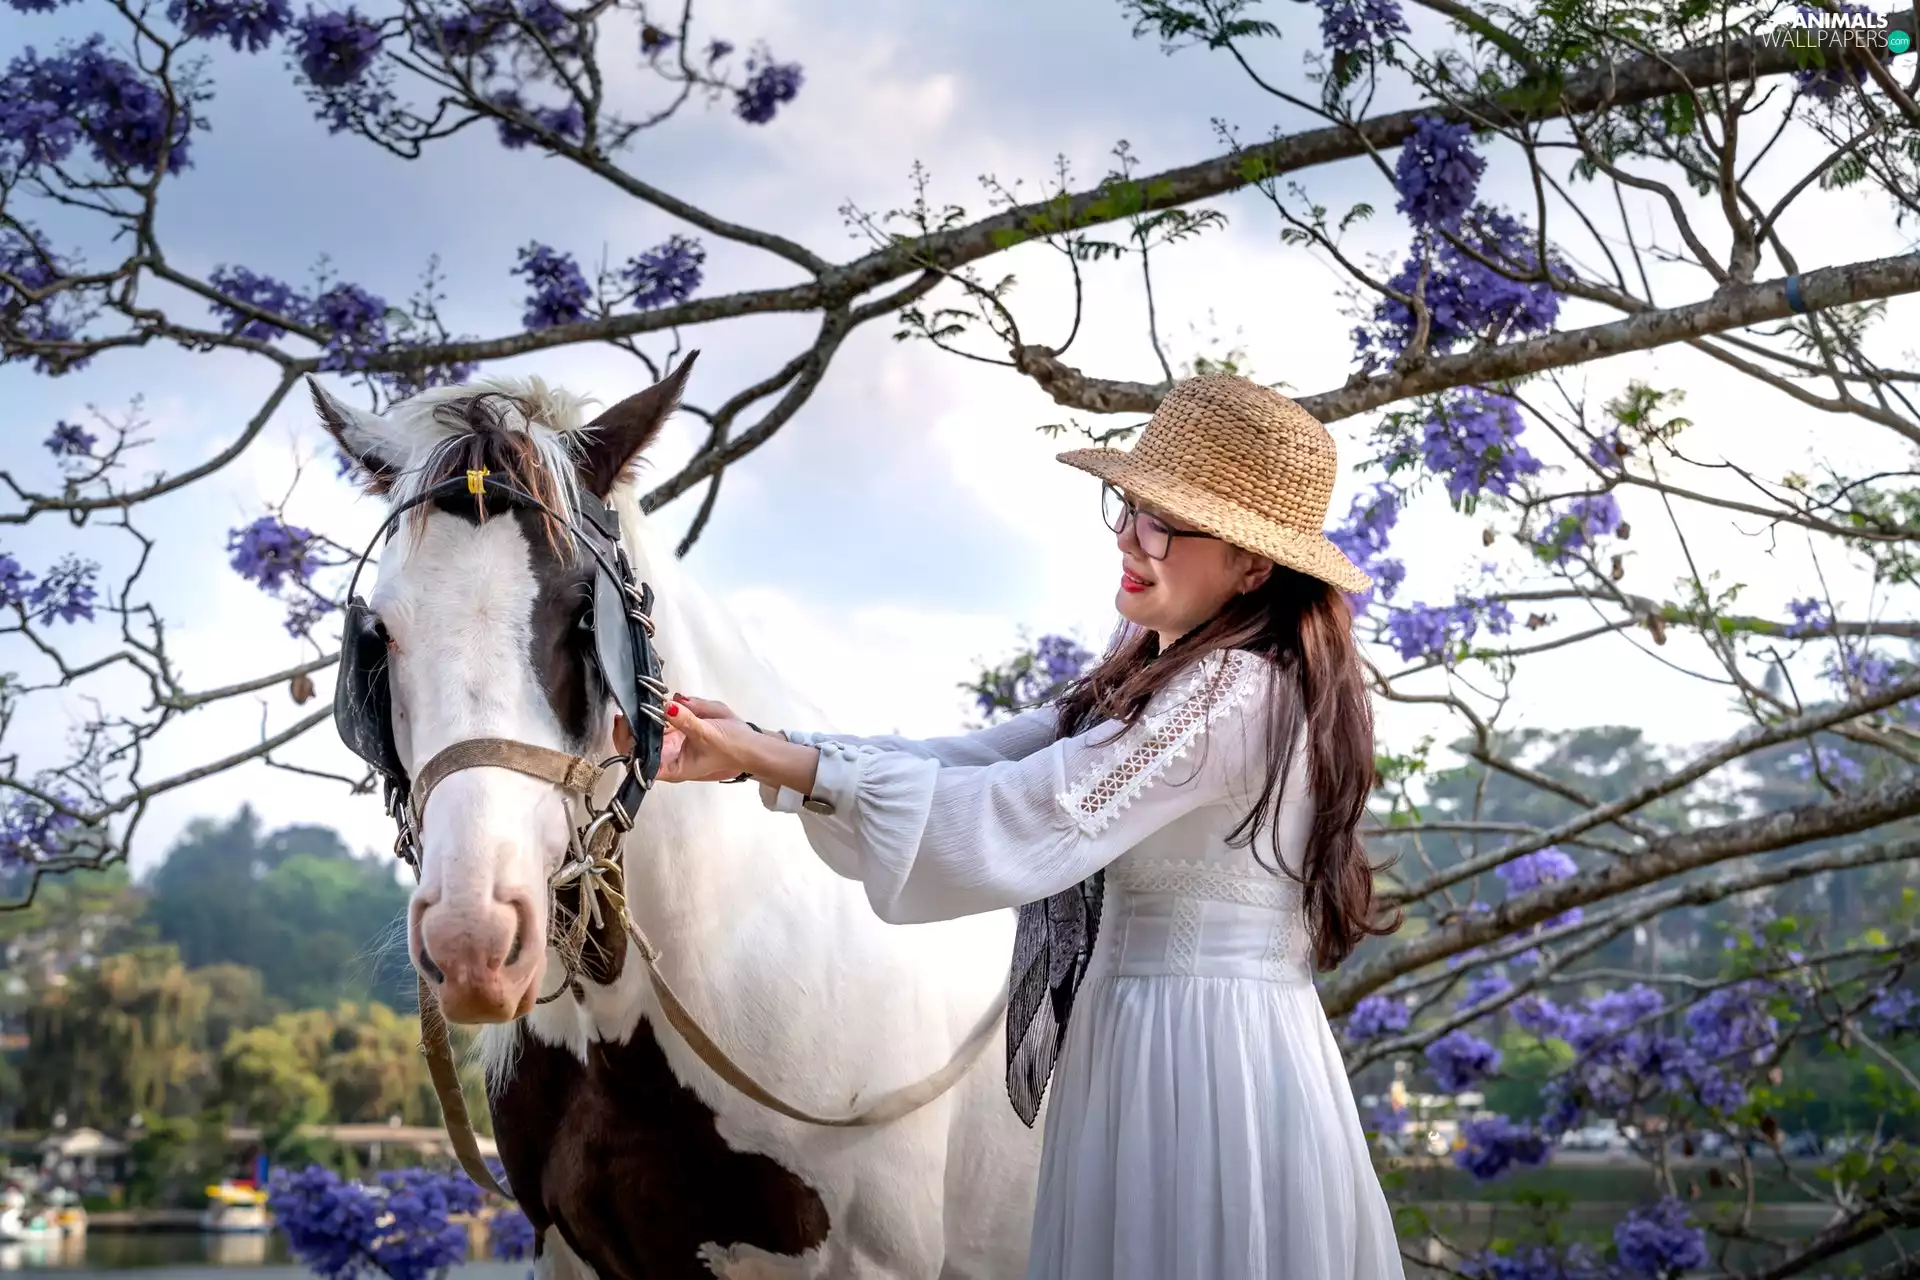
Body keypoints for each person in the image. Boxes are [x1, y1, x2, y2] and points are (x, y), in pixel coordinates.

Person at [657, 372, 1407, 1279]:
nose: (1129, 536)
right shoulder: (1164, 682)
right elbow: (969, 762)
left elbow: (1022, 812)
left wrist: (775, 760)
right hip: (1142, 1034)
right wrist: (757, 748)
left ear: (1253, 567)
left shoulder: (1235, 691)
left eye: (1165, 523)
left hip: (1205, 1054)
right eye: (1130, 508)